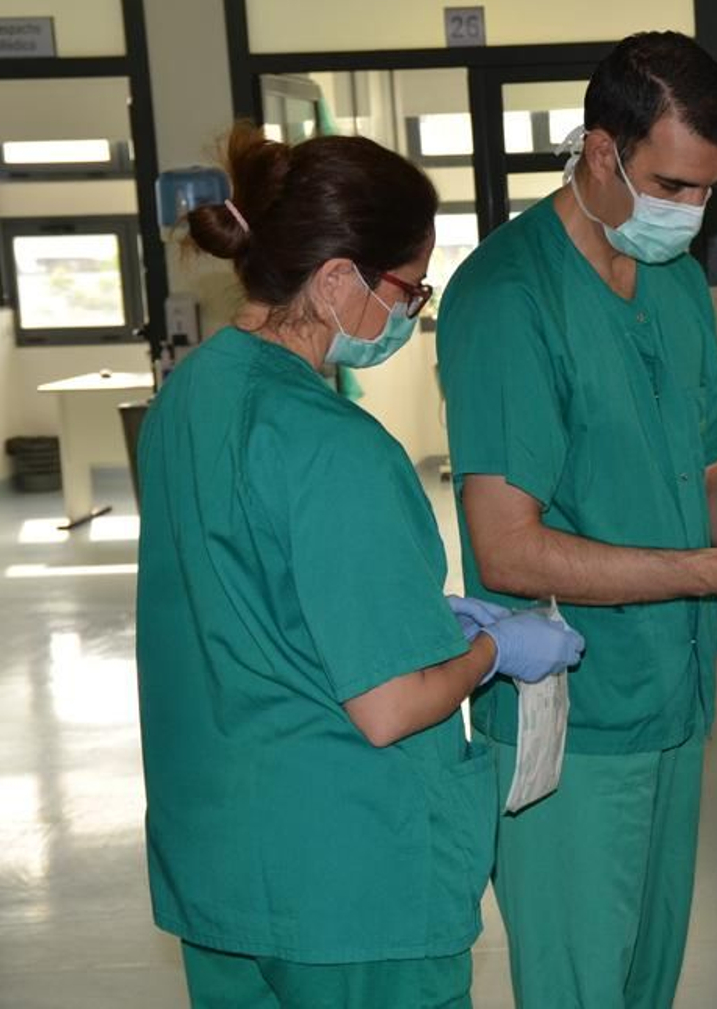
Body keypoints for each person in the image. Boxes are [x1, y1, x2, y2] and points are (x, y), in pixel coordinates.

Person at [135, 124, 585, 1008]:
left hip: (225, 866)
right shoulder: (337, 445)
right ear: (337, 278)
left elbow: (253, 602)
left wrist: (422, 620)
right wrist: (494, 651)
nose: (413, 313)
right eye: (410, 289)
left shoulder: (188, 397)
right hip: (349, 880)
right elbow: (387, 707)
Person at [435, 31, 717, 1009]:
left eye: (708, 190)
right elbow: (507, 548)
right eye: (673, 185)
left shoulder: (673, 282)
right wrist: (712, 572)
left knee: (646, 981)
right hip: (570, 720)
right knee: (580, 987)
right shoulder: (508, 299)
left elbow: (709, 475)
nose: (690, 214)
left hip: (671, 704)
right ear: (601, 152)